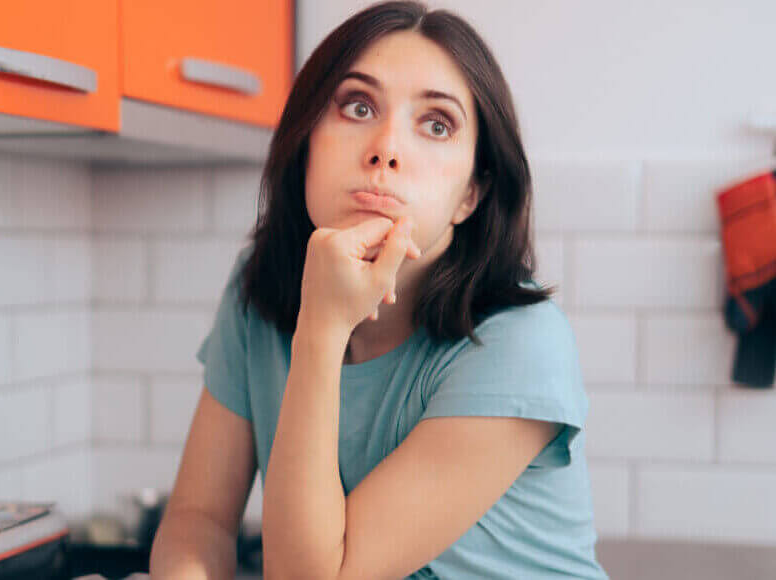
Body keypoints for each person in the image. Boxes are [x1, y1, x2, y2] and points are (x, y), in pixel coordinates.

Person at [150, 1, 609, 578]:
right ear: (307, 141)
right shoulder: (258, 292)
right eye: (357, 106)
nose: (386, 148)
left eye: (436, 125)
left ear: (472, 193)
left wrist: (320, 326)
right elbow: (199, 519)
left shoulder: (519, 344)